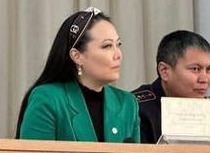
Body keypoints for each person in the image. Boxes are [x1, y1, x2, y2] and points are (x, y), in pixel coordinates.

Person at [16, 8, 140, 142]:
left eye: (118, 45)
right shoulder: (47, 99)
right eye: (107, 46)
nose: (118, 55)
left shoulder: (128, 103)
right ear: (77, 56)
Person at [132, 30, 210, 144]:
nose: (204, 79)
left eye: (209, 69)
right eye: (195, 69)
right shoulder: (136, 108)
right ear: (164, 71)